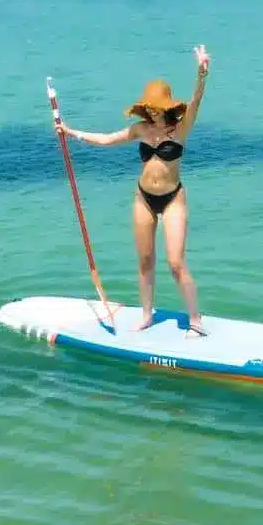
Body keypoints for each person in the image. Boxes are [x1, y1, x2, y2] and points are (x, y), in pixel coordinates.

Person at [59, 45, 211, 336]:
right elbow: (107, 139)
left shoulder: (181, 129)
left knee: (175, 262)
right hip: (143, 198)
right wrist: (71, 132)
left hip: (173, 199)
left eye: (156, 106)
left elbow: (196, 100)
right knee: (144, 260)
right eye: (149, 106)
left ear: (166, 106)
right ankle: (146, 314)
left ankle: (195, 320)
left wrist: (202, 74)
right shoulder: (141, 129)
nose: (152, 110)